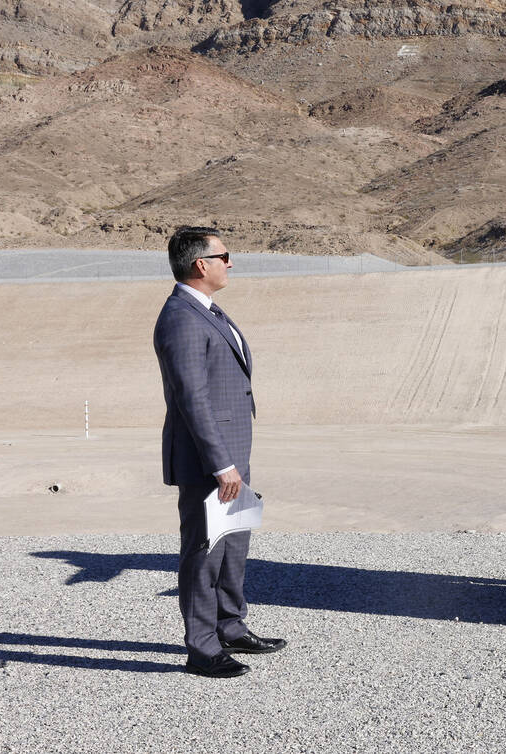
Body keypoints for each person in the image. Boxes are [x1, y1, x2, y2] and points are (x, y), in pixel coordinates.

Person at [153, 226, 286, 678]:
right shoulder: (181, 318)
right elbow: (192, 398)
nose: (231, 262)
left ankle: (230, 626)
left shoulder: (207, 310)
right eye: (225, 255)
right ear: (200, 264)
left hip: (231, 455)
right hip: (208, 461)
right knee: (203, 551)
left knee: (233, 546)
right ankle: (202, 647)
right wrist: (222, 464)